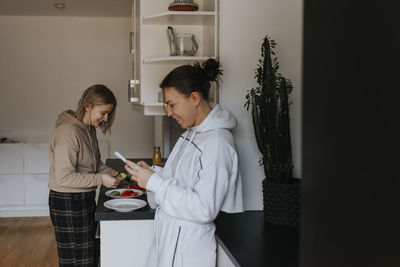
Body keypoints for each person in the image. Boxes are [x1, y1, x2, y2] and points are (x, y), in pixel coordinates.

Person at [125, 59, 244, 267]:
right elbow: (178, 180)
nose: (169, 113)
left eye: (171, 104)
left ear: (195, 98)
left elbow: (204, 208)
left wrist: (154, 182)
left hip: (188, 253)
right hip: (170, 243)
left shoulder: (217, 144)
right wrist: (152, 174)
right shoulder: (190, 134)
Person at [48, 84, 120, 266]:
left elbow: (92, 165)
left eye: (108, 114)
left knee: (88, 256)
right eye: (103, 113)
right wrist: (101, 179)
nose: (105, 118)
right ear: (88, 106)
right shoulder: (68, 132)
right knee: (75, 260)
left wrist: (110, 172)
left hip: (83, 197)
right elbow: (64, 177)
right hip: (67, 201)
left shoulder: (88, 129)